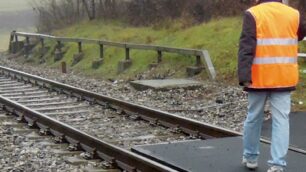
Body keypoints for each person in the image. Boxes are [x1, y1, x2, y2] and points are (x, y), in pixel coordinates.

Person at [238, 0, 306, 172]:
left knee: (254, 117)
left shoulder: (253, 13)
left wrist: (244, 76)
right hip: (284, 77)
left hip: (259, 78)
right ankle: (277, 164)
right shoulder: (293, 14)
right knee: (281, 120)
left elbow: (246, 46)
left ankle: (251, 157)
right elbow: (299, 35)